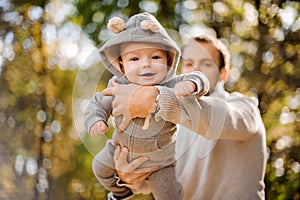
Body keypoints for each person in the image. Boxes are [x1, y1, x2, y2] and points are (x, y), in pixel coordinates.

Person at [103, 33, 268, 199]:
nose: (196, 70)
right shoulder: (167, 125)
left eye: (206, 64)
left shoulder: (245, 106)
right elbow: (155, 181)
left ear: (222, 74)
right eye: (189, 64)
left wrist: (156, 99)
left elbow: (223, 120)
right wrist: (128, 178)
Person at [84, 13, 210, 200]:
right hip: (120, 150)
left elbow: (201, 77)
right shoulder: (117, 86)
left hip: (162, 162)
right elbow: (97, 103)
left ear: (168, 61)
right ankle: (121, 194)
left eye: (156, 57)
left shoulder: (170, 85)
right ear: (121, 65)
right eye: (134, 59)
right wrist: (96, 120)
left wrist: (192, 85)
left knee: (167, 194)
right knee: (100, 168)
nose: (146, 64)